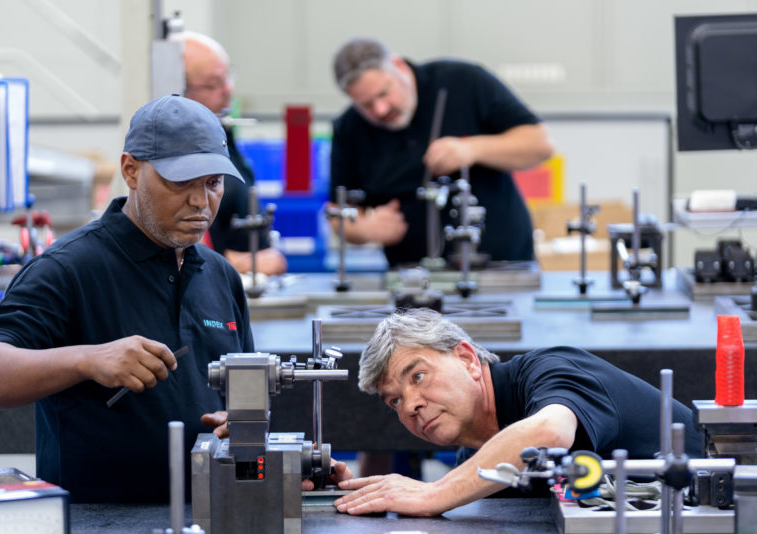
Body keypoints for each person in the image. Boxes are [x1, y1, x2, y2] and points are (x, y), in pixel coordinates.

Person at [0, 95, 254, 503]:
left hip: (209, 514)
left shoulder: (221, 277)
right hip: (98, 520)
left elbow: (247, 398)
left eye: (213, 182)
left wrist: (240, 425)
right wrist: (87, 359)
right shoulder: (68, 269)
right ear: (131, 170)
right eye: (181, 182)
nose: (201, 201)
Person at [333, 308, 703, 516]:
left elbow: (550, 434)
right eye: (394, 400)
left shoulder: (551, 370)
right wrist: (348, 494)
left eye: (418, 375)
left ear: (467, 359)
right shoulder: (475, 458)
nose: (410, 405)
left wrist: (433, 493)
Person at [329, 37, 554, 267]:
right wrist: (365, 229)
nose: (380, 109)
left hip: (505, 268)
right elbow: (338, 213)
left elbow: (539, 144)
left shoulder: (463, 82)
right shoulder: (349, 129)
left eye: (384, 93)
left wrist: (472, 149)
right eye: (366, 105)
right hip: (412, 281)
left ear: (399, 66)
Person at [175, 30, 287, 276]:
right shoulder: (174, 157)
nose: (227, 90)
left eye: (228, 77)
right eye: (213, 84)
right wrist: (234, 263)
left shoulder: (223, 132)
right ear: (178, 89)